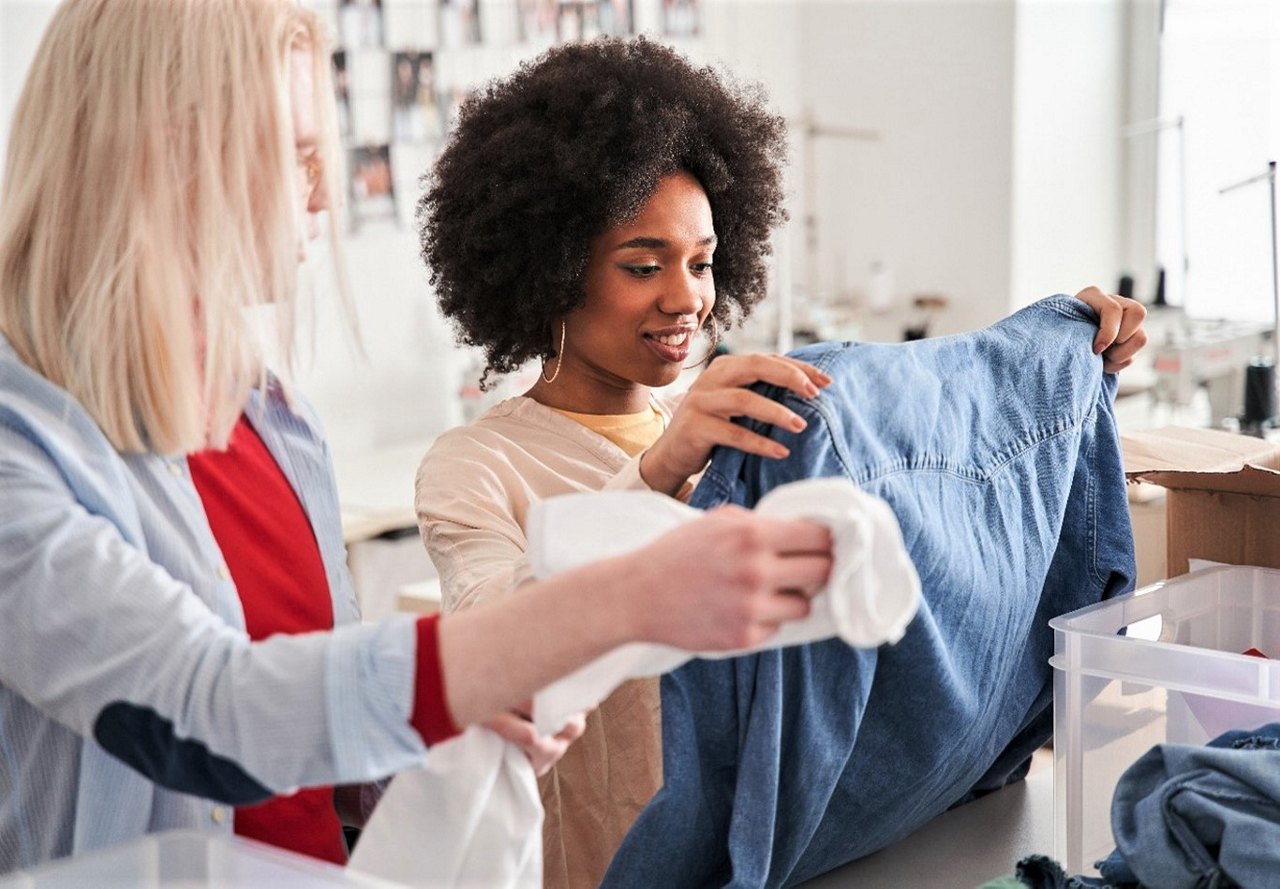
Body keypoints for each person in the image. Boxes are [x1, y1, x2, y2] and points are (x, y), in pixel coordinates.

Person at [0, 1, 834, 876]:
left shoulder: (273, 420)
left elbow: (327, 743)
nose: (323, 192)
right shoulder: (23, 447)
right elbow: (210, 712)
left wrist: (446, 731)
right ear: (167, 152)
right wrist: (619, 597)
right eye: (298, 155)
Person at [413, 37, 1149, 888]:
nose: (686, 296)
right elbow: (485, 651)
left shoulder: (751, 431)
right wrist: (656, 472)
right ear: (547, 273)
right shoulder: (477, 464)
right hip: (601, 857)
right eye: (642, 265)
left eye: (701, 262)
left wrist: (1061, 372)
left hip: (778, 847)